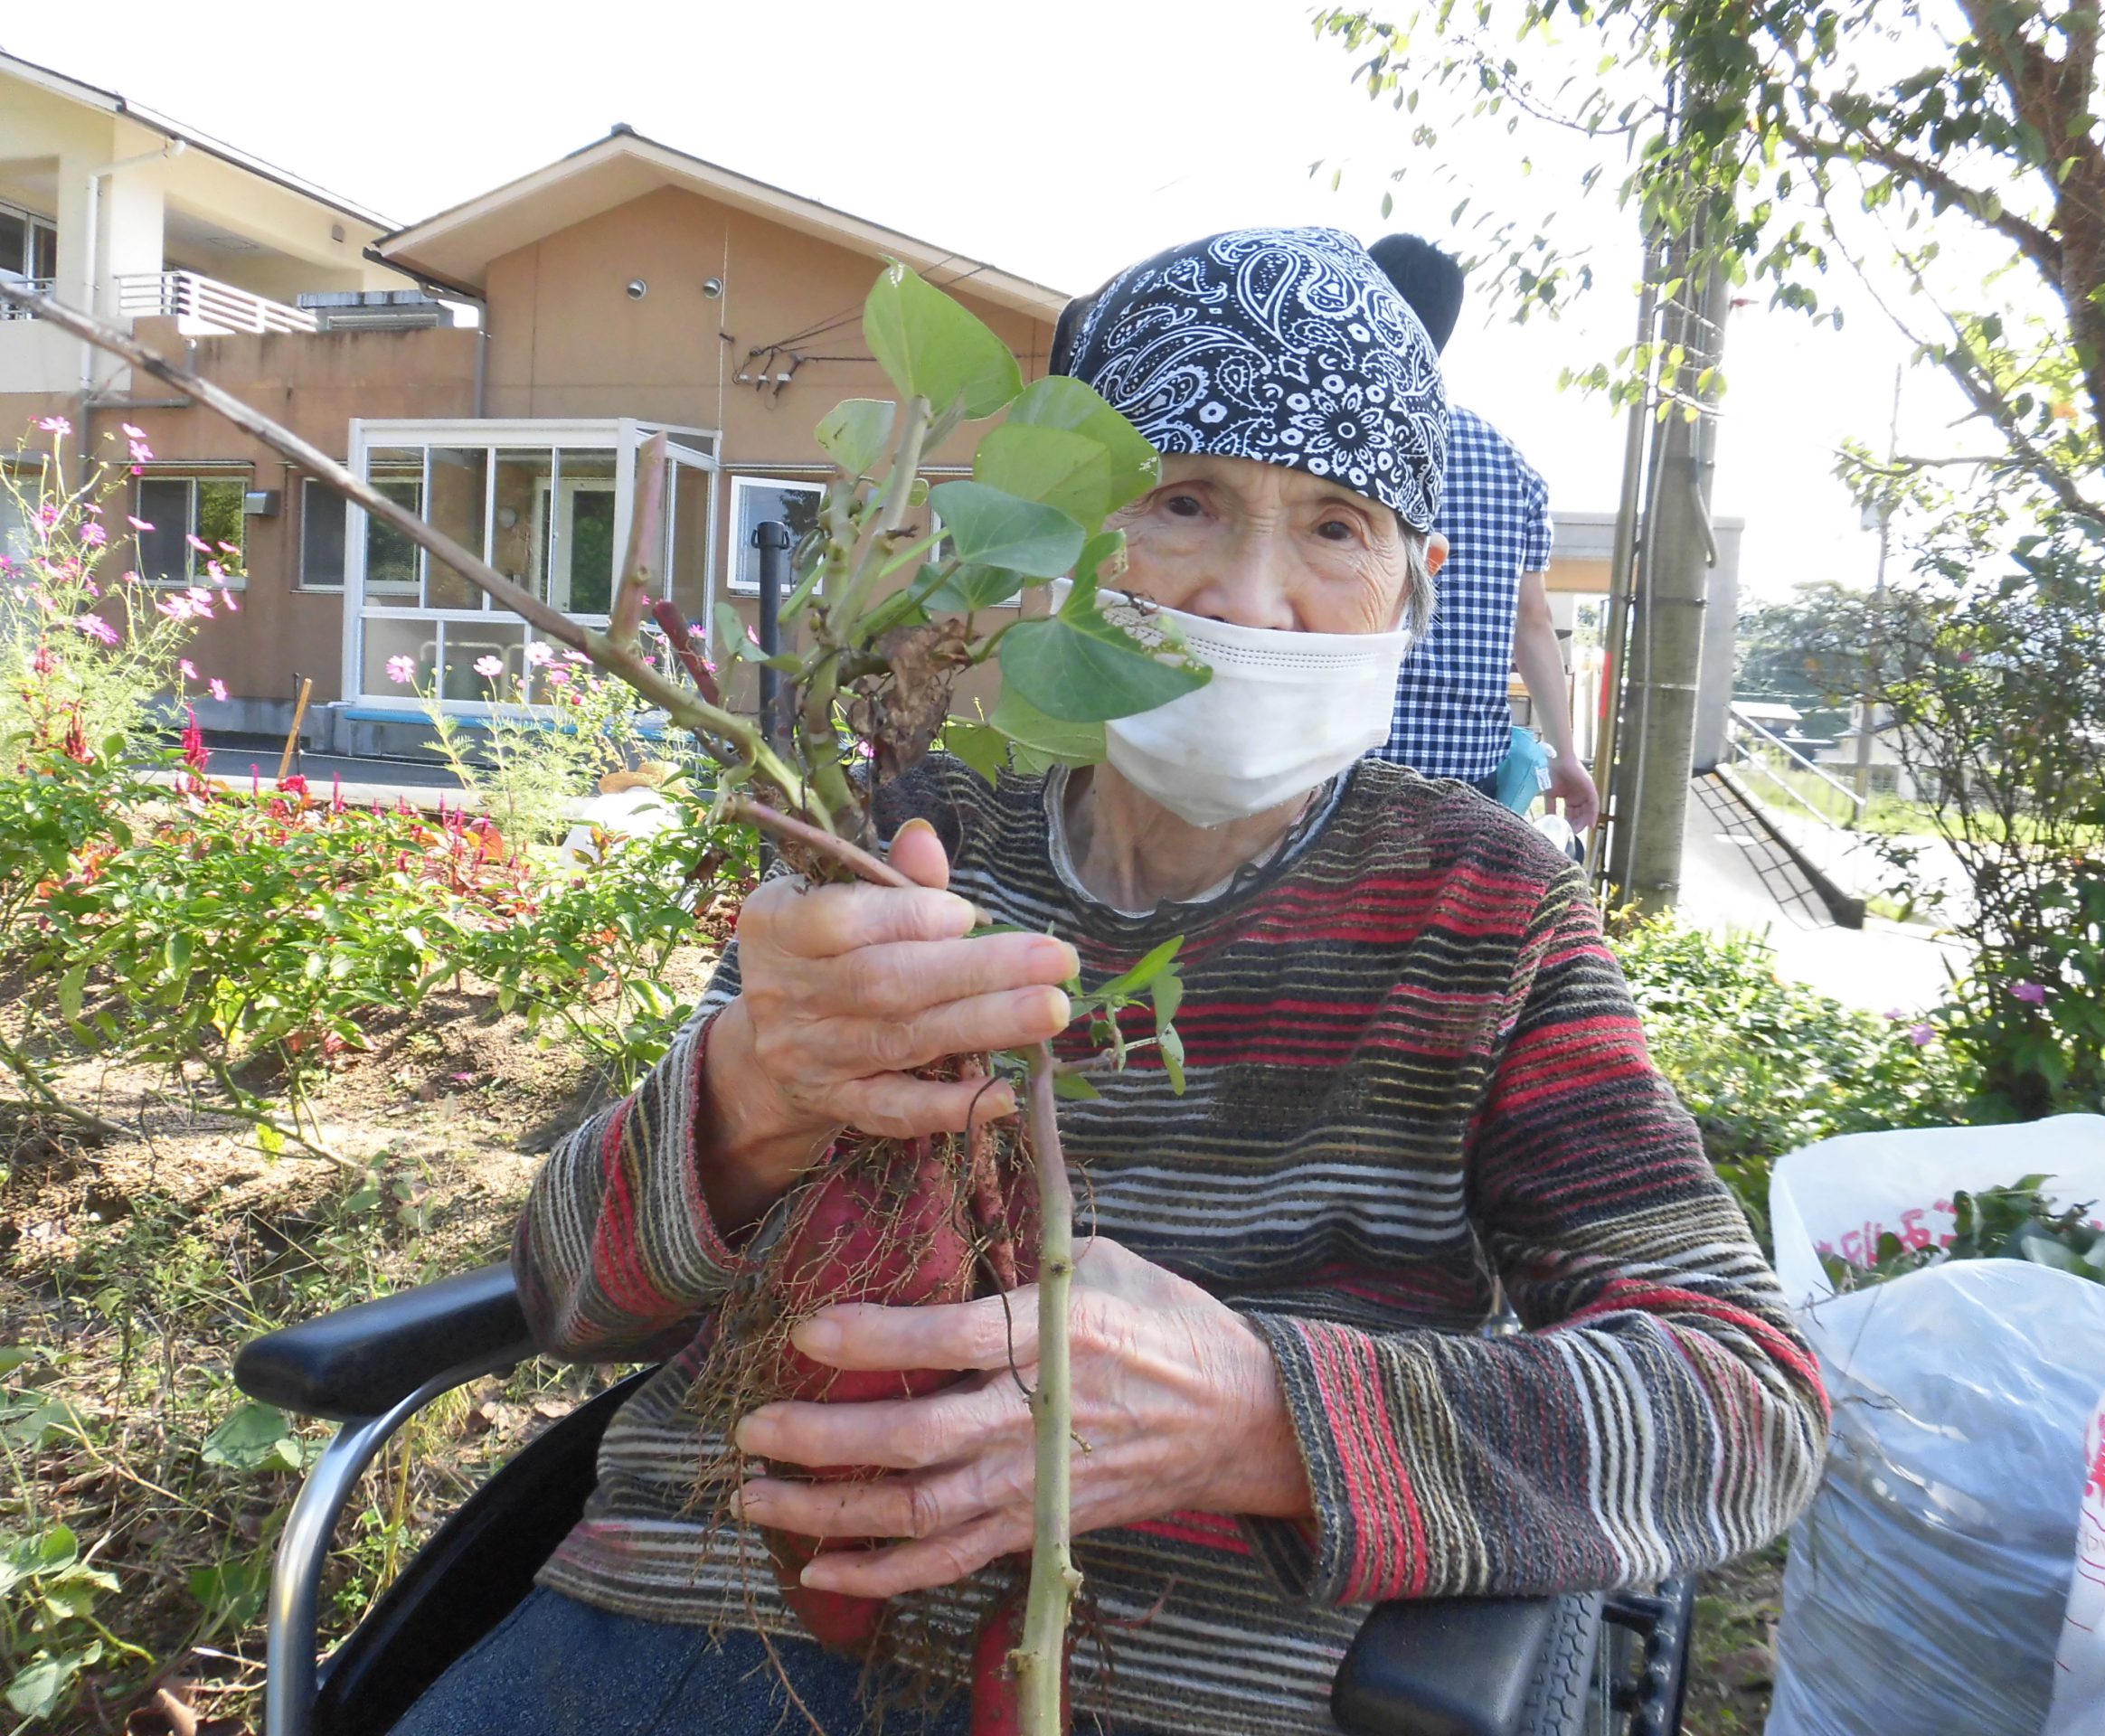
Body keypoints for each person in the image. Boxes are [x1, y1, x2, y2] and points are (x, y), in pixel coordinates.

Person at [390, 227, 1826, 1736]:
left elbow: (1741, 1400)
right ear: (1068, 547)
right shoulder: (905, 843)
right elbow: (567, 1289)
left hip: (1184, 1670)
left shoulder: (1486, 910)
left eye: (1336, 527)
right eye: (1183, 502)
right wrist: (748, 1102)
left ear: (1416, 587)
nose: (1249, 602)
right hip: (698, 1621)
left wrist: (1261, 1419)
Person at [1365, 233, 1600, 835]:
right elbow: (1534, 620)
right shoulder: (1510, 463)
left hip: (1345, 761)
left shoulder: (1329, 435)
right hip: (1464, 776)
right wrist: (1567, 757)